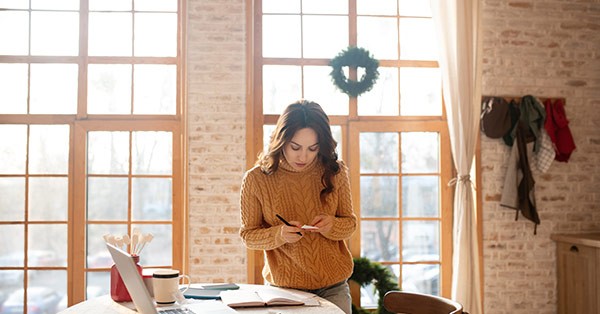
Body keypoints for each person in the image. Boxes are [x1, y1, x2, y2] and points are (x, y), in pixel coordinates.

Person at [239, 100, 357, 314]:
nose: (303, 156)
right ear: (280, 140)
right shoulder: (256, 179)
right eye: (295, 147)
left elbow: (350, 224)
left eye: (313, 148)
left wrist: (332, 226)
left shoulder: (335, 171)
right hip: (284, 293)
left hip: (334, 288)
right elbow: (248, 235)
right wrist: (279, 234)